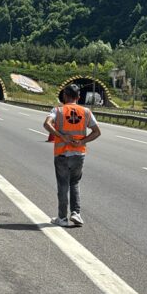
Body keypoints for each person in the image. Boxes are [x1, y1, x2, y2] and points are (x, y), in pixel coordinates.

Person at [43, 84, 101, 227]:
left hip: (62, 154)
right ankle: (76, 213)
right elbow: (97, 132)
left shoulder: (58, 110)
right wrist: (82, 141)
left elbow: (46, 124)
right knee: (74, 183)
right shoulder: (86, 111)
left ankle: (62, 218)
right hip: (79, 154)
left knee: (63, 185)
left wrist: (61, 136)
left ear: (65, 96)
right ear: (78, 97)